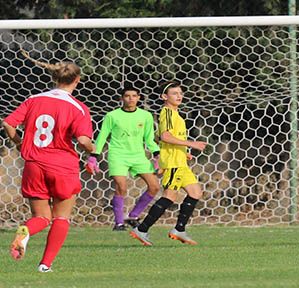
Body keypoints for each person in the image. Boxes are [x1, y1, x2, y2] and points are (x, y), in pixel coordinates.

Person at [4, 50, 94, 272]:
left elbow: (8, 123)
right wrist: (93, 149)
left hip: (34, 164)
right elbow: (83, 140)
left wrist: (19, 144)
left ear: (55, 78)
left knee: (41, 217)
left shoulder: (33, 100)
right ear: (77, 80)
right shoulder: (79, 107)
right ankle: (45, 265)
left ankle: (26, 229)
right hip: (62, 166)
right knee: (61, 218)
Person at [130, 81, 207, 246]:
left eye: (180, 93)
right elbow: (165, 136)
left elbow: (160, 137)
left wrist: (182, 151)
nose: (179, 96)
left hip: (180, 161)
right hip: (172, 163)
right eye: (174, 93)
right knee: (169, 197)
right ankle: (142, 229)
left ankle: (179, 229)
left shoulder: (176, 114)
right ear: (164, 97)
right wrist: (191, 144)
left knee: (195, 192)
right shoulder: (167, 113)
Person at [86, 86, 161, 231]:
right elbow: (102, 137)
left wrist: (157, 154)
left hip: (138, 156)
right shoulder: (112, 116)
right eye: (127, 96)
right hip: (118, 155)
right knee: (121, 186)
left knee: (154, 187)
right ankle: (119, 223)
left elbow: (149, 139)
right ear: (122, 98)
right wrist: (93, 157)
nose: (131, 98)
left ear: (139, 98)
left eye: (134, 95)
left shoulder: (146, 116)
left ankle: (133, 216)